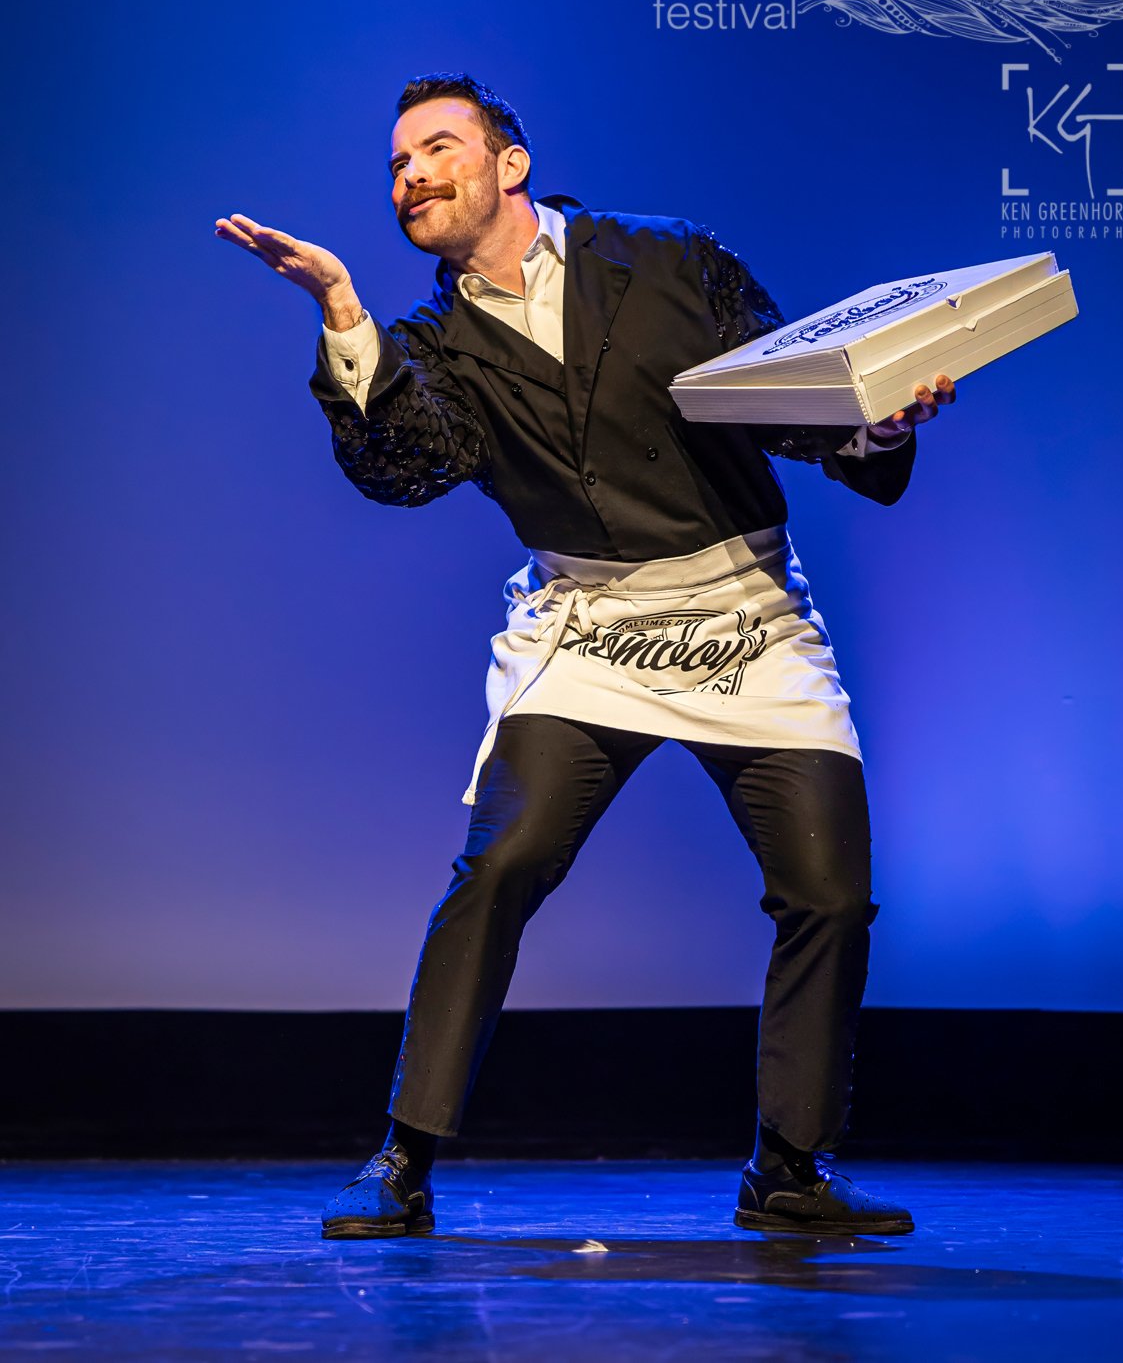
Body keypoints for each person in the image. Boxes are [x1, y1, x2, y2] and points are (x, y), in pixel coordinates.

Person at [215, 72, 955, 1242]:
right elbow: (404, 468)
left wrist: (875, 425)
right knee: (501, 864)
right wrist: (344, 310)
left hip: (741, 604)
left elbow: (786, 401)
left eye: (437, 148)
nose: (411, 175)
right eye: (397, 164)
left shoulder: (667, 258)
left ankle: (789, 1168)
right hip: (589, 624)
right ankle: (401, 1160)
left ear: (510, 164)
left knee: (830, 893)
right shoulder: (435, 344)